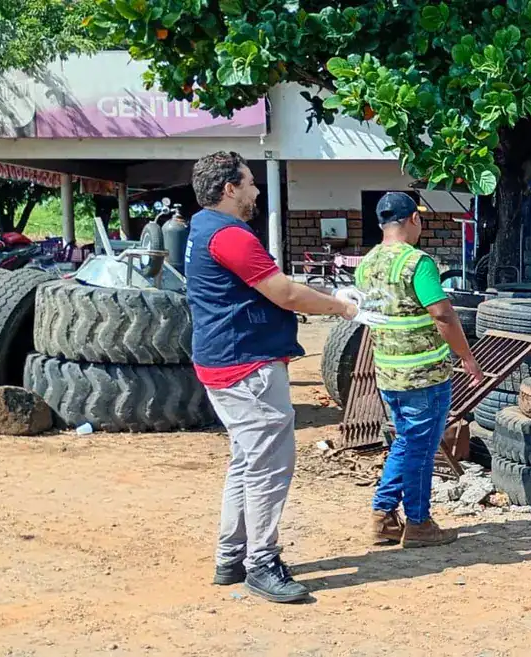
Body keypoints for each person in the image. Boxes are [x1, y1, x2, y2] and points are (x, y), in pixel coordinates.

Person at [187, 151, 383, 603]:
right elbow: (285, 293)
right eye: (250, 182)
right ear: (229, 188)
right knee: (270, 466)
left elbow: (267, 280)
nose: (257, 190)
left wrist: (329, 293)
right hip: (247, 364)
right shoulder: (231, 236)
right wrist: (346, 307)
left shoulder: (202, 227)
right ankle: (262, 562)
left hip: (224, 360)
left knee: (247, 461)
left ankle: (231, 556)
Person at [359, 192, 484, 549]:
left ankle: (384, 516)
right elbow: (442, 314)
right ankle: (418, 522)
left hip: (388, 372)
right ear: (413, 219)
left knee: (407, 442)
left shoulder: (367, 264)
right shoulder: (417, 263)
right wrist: (466, 356)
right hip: (424, 375)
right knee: (420, 450)